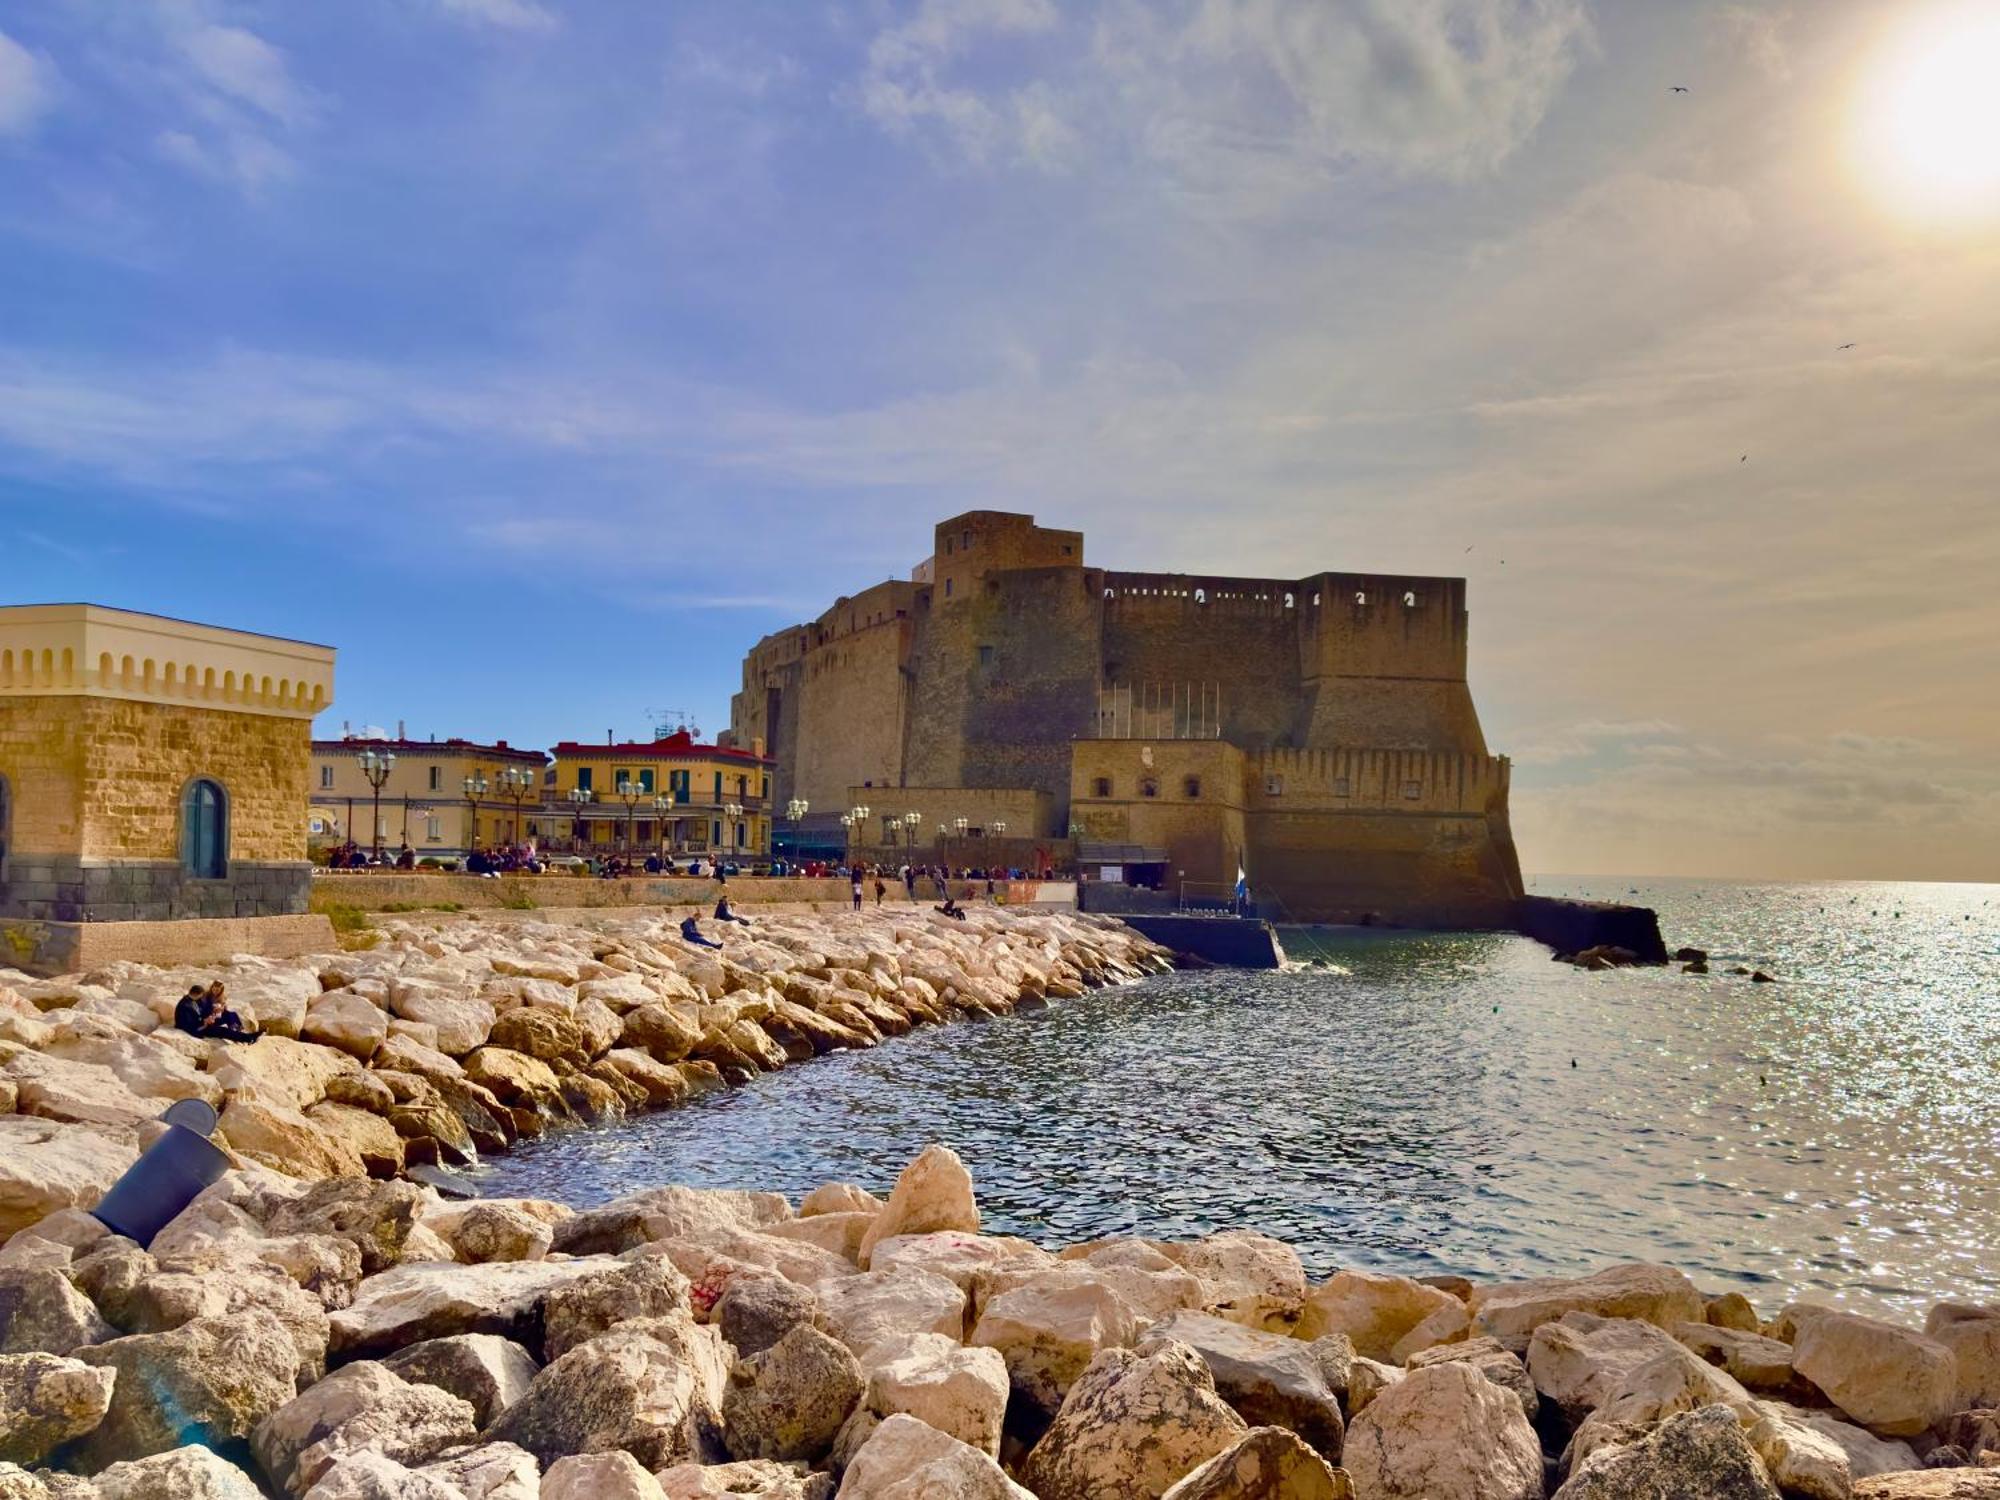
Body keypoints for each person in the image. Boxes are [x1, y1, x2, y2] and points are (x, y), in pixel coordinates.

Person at [176, 983, 261, 1043]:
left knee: (228, 1015)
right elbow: (188, 1025)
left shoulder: (195, 1000)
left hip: (202, 1021)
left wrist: (212, 1013)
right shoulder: (184, 1006)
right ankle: (249, 1038)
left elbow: (202, 1010)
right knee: (223, 1031)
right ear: (197, 994)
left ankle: (244, 1033)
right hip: (198, 1028)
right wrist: (204, 1022)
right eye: (201, 995)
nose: (202, 997)